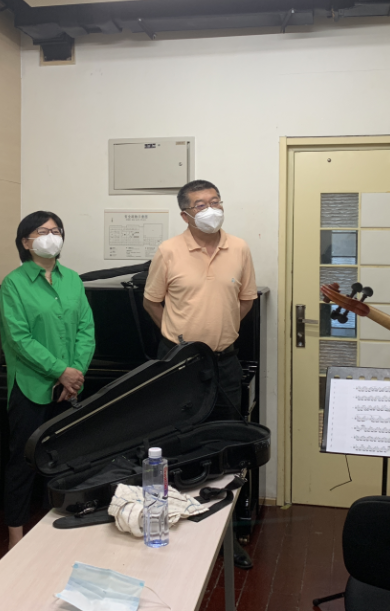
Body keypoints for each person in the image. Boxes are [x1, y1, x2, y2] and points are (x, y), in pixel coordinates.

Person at [143, 179, 258, 568]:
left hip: (225, 362)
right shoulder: (168, 251)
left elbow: (246, 300)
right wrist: (177, 339)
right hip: (179, 363)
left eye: (216, 201)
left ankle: (227, 536)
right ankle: (180, 529)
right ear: (185, 215)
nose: (211, 209)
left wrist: (223, 331)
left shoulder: (239, 248)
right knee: (177, 445)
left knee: (227, 447)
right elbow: (152, 301)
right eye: (201, 205)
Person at [0, 211, 95, 550]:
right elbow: (19, 339)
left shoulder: (73, 280)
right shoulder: (13, 283)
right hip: (30, 386)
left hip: (69, 387)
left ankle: (57, 528)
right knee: (22, 462)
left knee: (67, 457)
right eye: (43, 231)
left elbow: (86, 330)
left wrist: (75, 373)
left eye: (56, 230)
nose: (52, 236)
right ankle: (15, 536)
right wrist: (60, 371)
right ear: (26, 241)